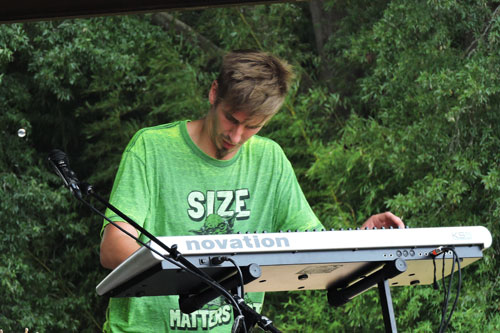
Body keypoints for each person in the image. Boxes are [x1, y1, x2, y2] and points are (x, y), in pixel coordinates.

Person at [99, 50, 404, 332]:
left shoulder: (269, 160)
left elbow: (313, 249)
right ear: (214, 92)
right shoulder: (152, 148)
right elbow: (113, 250)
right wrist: (206, 275)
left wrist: (360, 242)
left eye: (252, 126)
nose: (236, 135)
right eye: (231, 118)